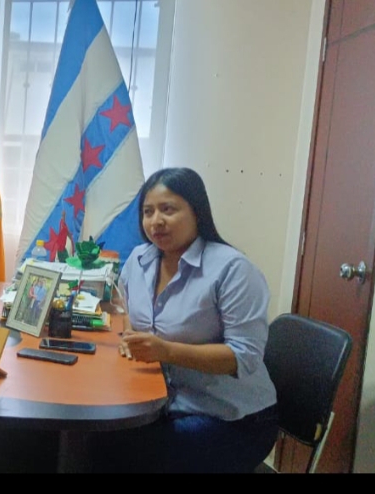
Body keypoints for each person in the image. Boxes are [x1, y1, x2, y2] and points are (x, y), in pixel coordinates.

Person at [104, 167, 279, 473]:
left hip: (230, 418)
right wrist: (130, 334)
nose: (156, 221)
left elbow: (243, 356)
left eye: (168, 209)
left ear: (197, 212)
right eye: (148, 211)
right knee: (98, 436)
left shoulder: (233, 270)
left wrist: (165, 351)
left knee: (120, 451)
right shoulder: (139, 259)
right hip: (161, 401)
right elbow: (126, 306)